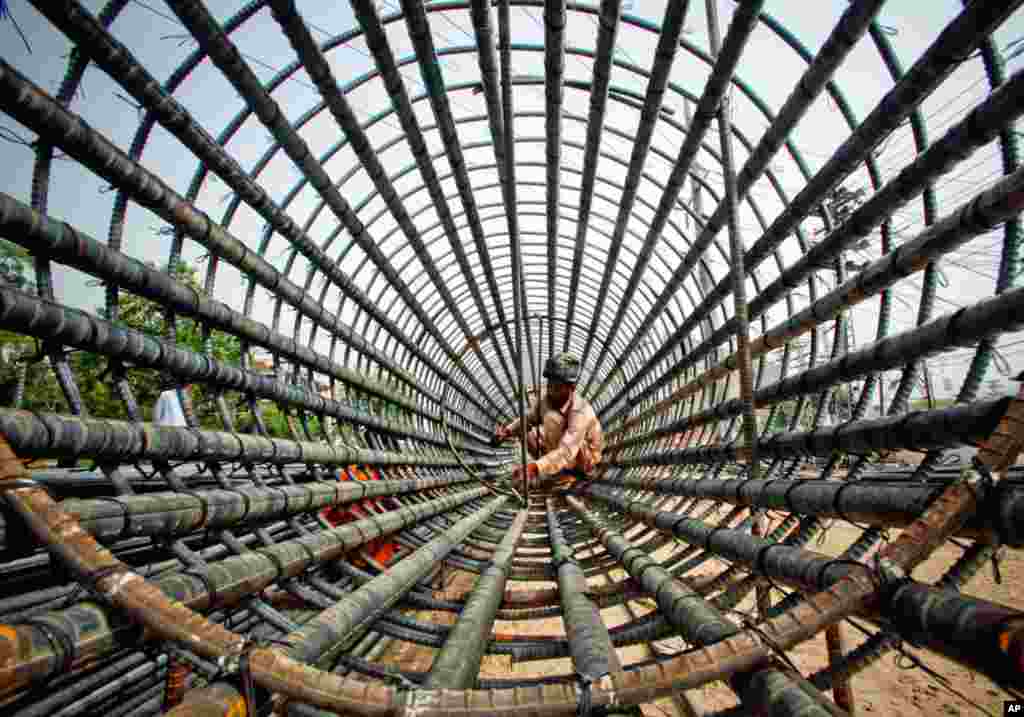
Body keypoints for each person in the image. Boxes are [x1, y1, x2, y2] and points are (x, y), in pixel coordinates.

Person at [494, 352, 603, 492]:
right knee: (523, 429)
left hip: (581, 458)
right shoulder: (548, 399)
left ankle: (574, 476)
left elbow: (566, 451)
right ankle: (552, 471)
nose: (551, 391)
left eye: (557, 387)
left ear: (572, 388)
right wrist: (507, 432)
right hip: (556, 449)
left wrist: (533, 467)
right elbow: (529, 418)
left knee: (559, 426)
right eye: (550, 384)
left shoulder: (579, 411)